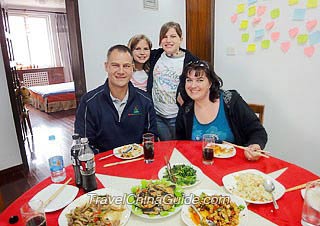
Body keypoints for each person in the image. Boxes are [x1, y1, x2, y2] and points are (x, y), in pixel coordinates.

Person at [176, 60, 268, 161]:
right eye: (189, 80)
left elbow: (258, 131)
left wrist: (254, 145)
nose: (193, 86)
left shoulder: (230, 100)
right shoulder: (186, 109)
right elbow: (180, 143)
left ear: (210, 83)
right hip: (200, 165)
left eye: (200, 80)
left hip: (234, 166)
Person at [74, 44, 157, 153]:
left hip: (137, 163)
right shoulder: (89, 102)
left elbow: (151, 138)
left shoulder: (145, 100)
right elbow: (84, 144)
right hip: (103, 165)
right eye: (115, 65)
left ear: (133, 68)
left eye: (126, 66)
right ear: (106, 66)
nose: (121, 71)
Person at [147, 21, 199, 141]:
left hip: (177, 117)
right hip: (157, 115)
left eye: (173, 36)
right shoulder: (155, 56)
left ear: (181, 39)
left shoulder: (191, 61)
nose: (168, 40)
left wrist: (185, 98)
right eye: (164, 37)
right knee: (165, 148)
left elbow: (198, 85)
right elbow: (139, 54)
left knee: (179, 150)